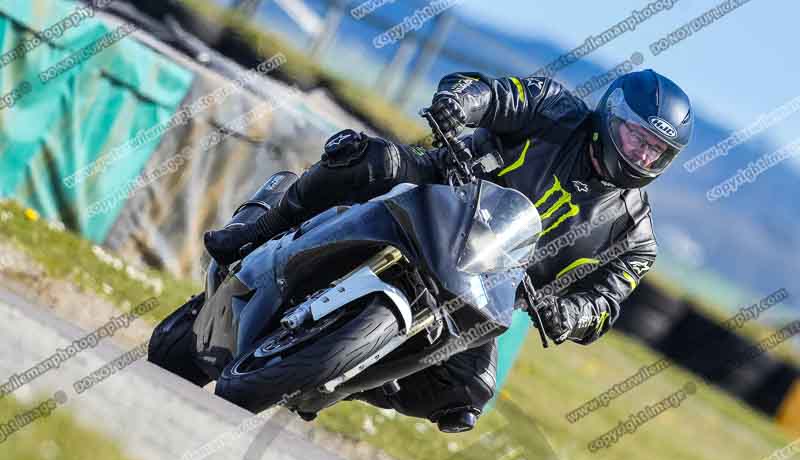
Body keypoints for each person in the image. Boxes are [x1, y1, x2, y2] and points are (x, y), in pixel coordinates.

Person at [203, 69, 693, 431]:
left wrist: (572, 314)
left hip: (490, 281)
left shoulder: (635, 237)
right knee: (366, 157)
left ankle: (340, 373)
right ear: (611, 118)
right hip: (439, 190)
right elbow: (493, 94)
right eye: (635, 137)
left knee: (466, 396)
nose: (641, 155)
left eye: (655, 150)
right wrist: (459, 104)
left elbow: (607, 300)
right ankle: (260, 228)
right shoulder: (554, 110)